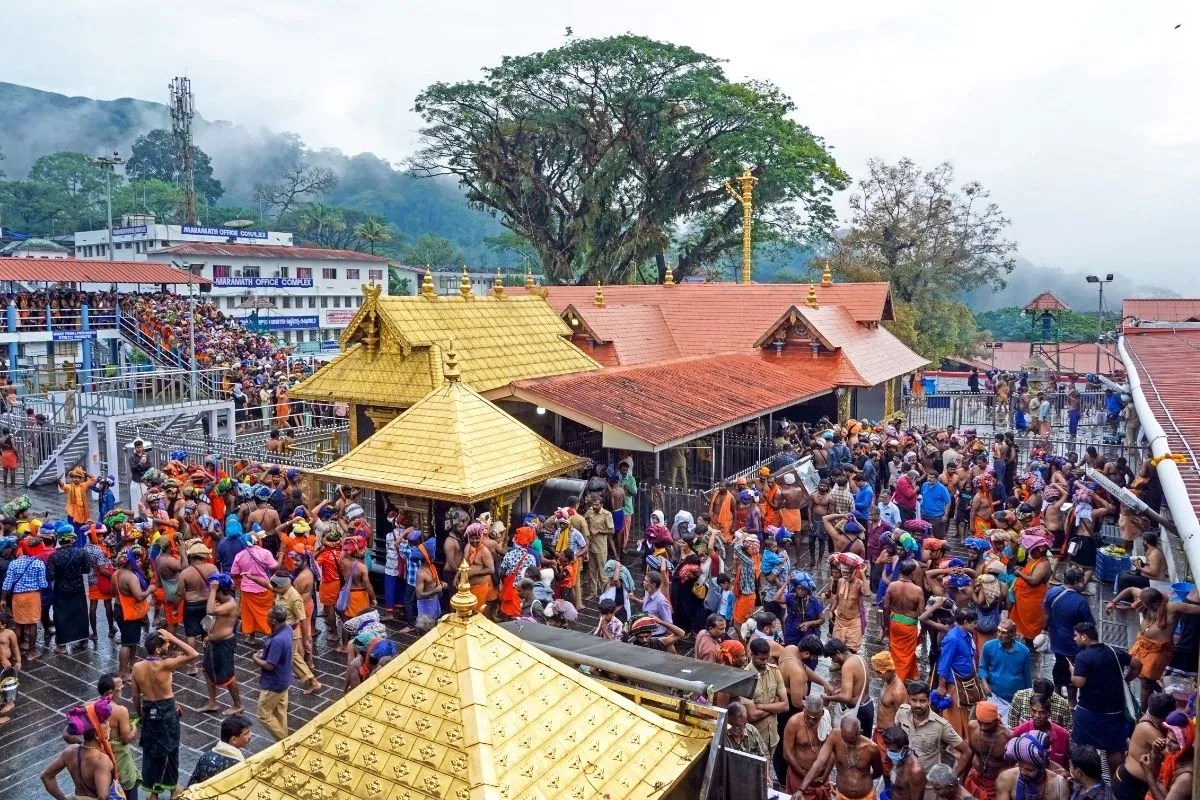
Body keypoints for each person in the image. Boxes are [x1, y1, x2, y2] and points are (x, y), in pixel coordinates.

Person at [132, 630, 199, 800]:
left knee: (151, 750)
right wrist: (174, 636)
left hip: (148, 709)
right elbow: (193, 653)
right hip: (167, 710)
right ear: (158, 650)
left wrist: (141, 716)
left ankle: (153, 793)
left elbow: (135, 697)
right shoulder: (165, 665)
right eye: (166, 644)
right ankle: (172, 790)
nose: (169, 645)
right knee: (170, 750)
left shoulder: (137, 667)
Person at [1070, 621, 1140, 776]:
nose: (1074, 639)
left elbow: (1079, 682)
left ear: (1084, 636)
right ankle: (1116, 781)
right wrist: (1127, 679)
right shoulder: (1114, 651)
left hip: (1089, 713)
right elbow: (1137, 664)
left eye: (1075, 636)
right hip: (1114, 713)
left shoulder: (1082, 657)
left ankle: (1088, 778)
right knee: (1115, 750)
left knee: (1082, 748)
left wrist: (1072, 672)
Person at [895, 681, 971, 780]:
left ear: (929, 701)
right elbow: (896, 735)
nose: (918, 705)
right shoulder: (902, 712)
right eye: (914, 700)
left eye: (922, 701)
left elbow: (966, 752)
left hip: (926, 783)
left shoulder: (941, 726)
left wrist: (952, 778)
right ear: (909, 700)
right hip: (902, 775)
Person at [797, 715, 883, 800]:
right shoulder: (834, 736)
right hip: (841, 796)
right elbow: (819, 762)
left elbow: (878, 771)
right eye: (845, 739)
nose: (848, 744)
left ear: (860, 732)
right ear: (841, 732)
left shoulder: (871, 748)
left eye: (852, 741)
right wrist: (801, 789)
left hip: (866, 797)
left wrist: (862, 781)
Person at [1042, 567, 1094, 703]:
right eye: (1082, 581)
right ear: (1076, 581)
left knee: (1059, 665)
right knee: (1073, 671)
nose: (1084, 583)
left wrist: (1044, 630)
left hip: (1056, 641)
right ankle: (1071, 702)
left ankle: (1058, 694)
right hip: (1073, 646)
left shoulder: (1052, 592)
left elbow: (1047, 614)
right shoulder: (1080, 602)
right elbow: (1089, 625)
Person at [1112, 693, 1175, 800]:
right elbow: (1173, 753)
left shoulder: (1149, 721)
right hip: (1128, 786)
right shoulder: (1148, 729)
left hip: (1132, 784)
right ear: (1166, 716)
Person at [197, 573, 243, 716]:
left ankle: (238, 704)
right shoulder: (223, 603)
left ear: (220, 591)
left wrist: (213, 590)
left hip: (224, 645)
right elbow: (215, 618)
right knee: (207, 671)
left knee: (228, 676)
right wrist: (209, 637)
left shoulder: (230, 604)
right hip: (213, 642)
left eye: (216, 592)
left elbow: (210, 611)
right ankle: (212, 702)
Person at [269, 573, 321, 695]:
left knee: (288, 660)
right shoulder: (281, 591)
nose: (274, 590)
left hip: (290, 633)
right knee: (294, 659)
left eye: (276, 588)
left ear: (284, 585)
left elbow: (302, 620)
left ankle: (282, 685)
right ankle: (313, 682)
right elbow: (268, 585)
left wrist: (305, 640)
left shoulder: (295, 598)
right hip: (282, 632)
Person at [743, 637, 788, 766]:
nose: (764, 662)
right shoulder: (745, 678)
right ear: (751, 654)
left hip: (773, 737)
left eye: (766, 658)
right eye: (761, 659)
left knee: (767, 770)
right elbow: (752, 715)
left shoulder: (775, 671)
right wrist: (774, 705)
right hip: (755, 740)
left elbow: (785, 706)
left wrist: (761, 706)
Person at [47, 526, 93, 653]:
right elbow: (86, 570)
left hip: (61, 590)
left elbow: (50, 576)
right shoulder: (81, 553)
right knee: (80, 613)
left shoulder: (54, 557)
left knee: (61, 616)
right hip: (78, 589)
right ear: (72, 539)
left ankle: (61, 646)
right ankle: (83, 640)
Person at [934, 608, 978, 739]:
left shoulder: (967, 635)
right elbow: (944, 664)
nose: (975, 625)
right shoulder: (953, 638)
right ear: (965, 622)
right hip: (954, 682)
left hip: (963, 681)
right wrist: (941, 686)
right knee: (954, 713)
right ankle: (954, 740)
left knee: (961, 711)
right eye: (973, 623)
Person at [1, 538, 48, 660]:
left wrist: (3, 599)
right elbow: (43, 584)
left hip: (18, 597)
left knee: (18, 624)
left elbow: (7, 583)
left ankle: (18, 651)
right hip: (33, 597)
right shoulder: (39, 563)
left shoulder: (14, 563)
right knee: (32, 624)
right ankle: (31, 652)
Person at [253, 605, 293, 742]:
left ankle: (286, 742)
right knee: (280, 713)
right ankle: (282, 742)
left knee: (264, 714)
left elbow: (270, 666)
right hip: (284, 678)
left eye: (268, 617)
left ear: (274, 621)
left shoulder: (277, 640)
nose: (266, 619)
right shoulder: (287, 629)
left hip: (274, 683)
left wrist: (255, 658)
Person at [229, 528, 278, 641]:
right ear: (257, 541)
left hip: (247, 591)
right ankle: (271, 635)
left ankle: (251, 638)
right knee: (268, 614)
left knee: (250, 615)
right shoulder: (265, 553)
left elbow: (234, 573)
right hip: (265, 589)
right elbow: (274, 566)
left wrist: (243, 578)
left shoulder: (240, 555)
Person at [41, 728, 117, 800]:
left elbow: (46, 776)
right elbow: (103, 797)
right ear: (97, 735)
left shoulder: (70, 751)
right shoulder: (101, 759)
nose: (110, 728)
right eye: (107, 725)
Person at [820, 639, 874, 737]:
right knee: (864, 743)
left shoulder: (847, 666)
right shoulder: (859, 658)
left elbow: (846, 697)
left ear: (838, 653)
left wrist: (827, 698)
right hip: (868, 706)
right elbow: (855, 685)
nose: (833, 661)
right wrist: (835, 691)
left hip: (859, 712)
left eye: (833, 658)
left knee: (849, 744)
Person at [881, 559, 923, 681]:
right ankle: (899, 680)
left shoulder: (892, 586)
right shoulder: (917, 590)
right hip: (909, 626)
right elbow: (922, 614)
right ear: (913, 574)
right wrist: (924, 630)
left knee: (895, 652)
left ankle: (908, 675)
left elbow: (885, 607)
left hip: (895, 623)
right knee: (907, 655)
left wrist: (886, 625)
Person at [113, 547, 151, 681]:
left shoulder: (116, 574)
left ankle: (131, 665)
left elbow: (114, 592)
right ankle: (123, 673)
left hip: (119, 608)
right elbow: (140, 596)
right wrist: (150, 589)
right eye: (137, 559)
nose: (139, 561)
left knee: (131, 641)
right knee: (127, 643)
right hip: (129, 612)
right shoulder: (131, 577)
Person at [978, 620, 1031, 713]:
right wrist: (985, 684)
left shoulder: (1024, 651)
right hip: (995, 696)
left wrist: (1029, 699)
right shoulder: (989, 646)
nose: (999, 635)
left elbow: (1027, 677)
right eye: (998, 631)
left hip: (1016, 698)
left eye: (1003, 632)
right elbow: (983, 667)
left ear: (1012, 634)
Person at [964, 701, 1014, 800]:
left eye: (987, 723)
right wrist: (963, 777)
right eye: (980, 722)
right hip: (976, 778)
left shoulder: (1008, 736)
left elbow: (1014, 765)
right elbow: (970, 752)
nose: (982, 727)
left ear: (996, 720)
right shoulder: (972, 726)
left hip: (997, 783)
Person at [995, 732, 1067, 800]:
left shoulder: (1060, 786)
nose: (1023, 772)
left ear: (1042, 766)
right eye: (1020, 766)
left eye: (1029, 770)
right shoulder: (1006, 779)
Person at [1009, 532, 1052, 644]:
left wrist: (1019, 573)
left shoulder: (1043, 564)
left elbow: (1034, 580)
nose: (1030, 552)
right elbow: (1029, 571)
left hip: (1033, 599)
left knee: (1030, 621)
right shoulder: (1035, 560)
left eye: (1032, 550)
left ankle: (1031, 641)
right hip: (1023, 598)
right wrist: (1022, 569)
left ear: (1039, 551)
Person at [187, 714, 253, 786]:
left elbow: (192, 784)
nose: (250, 735)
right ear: (234, 739)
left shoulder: (205, 756)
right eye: (246, 733)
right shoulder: (239, 767)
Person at [1012, 692, 1069, 771]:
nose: (1037, 716)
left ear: (1049, 713)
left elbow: (1066, 764)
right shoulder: (1019, 731)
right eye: (1034, 711)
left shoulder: (1062, 734)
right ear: (1030, 710)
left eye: (1041, 712)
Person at [871, 652, 909, 753]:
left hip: (888, 738)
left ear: (889, 670)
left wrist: (893, 743)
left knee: (885, 766)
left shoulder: (898, 691)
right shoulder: (888, 681)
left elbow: (904, 719)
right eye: (876, 671)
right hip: (879, 732)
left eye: (880, 672)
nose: (877, 675)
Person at [1006, 678, 1072, 731]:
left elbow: (1067, 730)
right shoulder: (1020, 696)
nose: (1037, 716)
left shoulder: (1063, 704)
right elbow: (1012, 722)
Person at [880, 726, 925, 800]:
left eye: (893, 751)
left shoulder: (915, 771)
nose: (889, 753)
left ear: (905, 748)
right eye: (887, 749)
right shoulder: (899, 758)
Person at [582, 495, 614, 597]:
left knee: (603, 573)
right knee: (592, 572)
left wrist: (599, 531)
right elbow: (584, 521)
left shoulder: (606, 515)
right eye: (593, 504)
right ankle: (593, 592)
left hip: (601, 548)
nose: (594, 506)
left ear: (601, 504)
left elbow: (612, 530)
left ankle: (605, 593)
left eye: (596, 505)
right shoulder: (590, 512)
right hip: (591, 546)